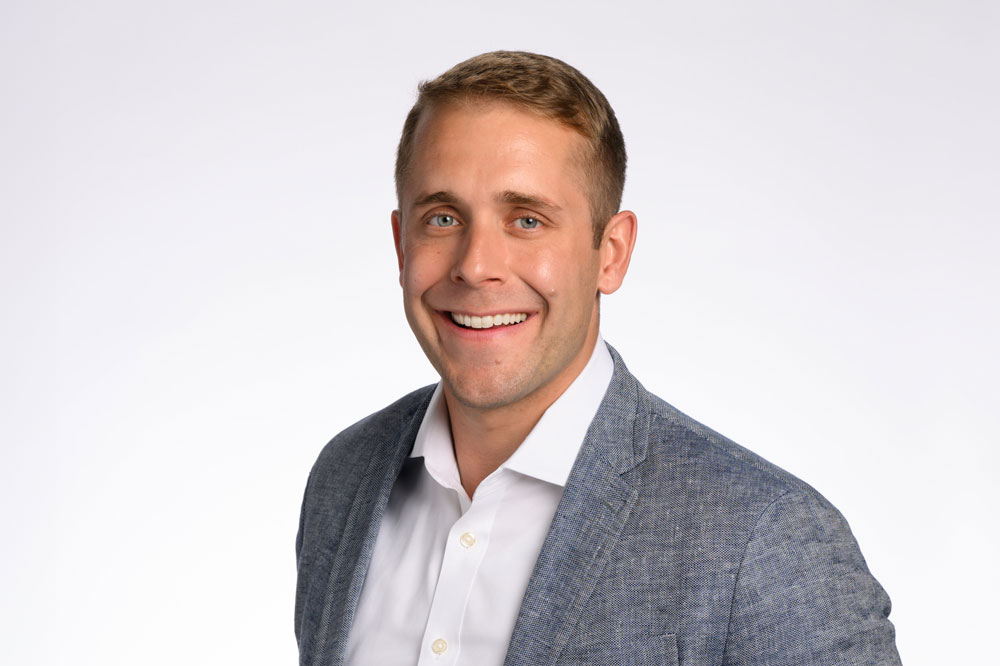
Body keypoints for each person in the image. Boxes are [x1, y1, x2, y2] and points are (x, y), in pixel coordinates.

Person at [295, 51, 901, 666]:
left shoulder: (769, 542)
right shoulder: (344, 479)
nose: (476, 266)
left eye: (526, 220)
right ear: (402, 244)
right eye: (443, 217)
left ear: (611, 253)